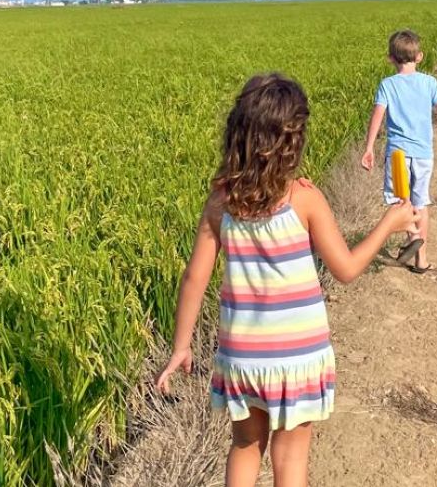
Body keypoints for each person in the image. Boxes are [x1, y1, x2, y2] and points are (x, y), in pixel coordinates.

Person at [155, 73, 419, 487]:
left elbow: (194, 278)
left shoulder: (220, 202)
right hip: (297, 358)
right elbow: (346, 270)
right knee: (290, 459)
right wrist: (389, 223)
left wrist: (181, 346)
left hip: (241, 357)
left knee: (244, 447)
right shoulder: (305, 200)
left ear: (237, 134)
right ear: (294, 142)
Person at [360, 29, 437, 273]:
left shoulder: (387, 85)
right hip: (423, 154)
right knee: (421, 204)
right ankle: (421, 260)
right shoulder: (429, 82)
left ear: (390, 58)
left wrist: (368, 148)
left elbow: (377, 117)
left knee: (401, 202)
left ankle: (411, 231)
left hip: (397, 154)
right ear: (419, 57)